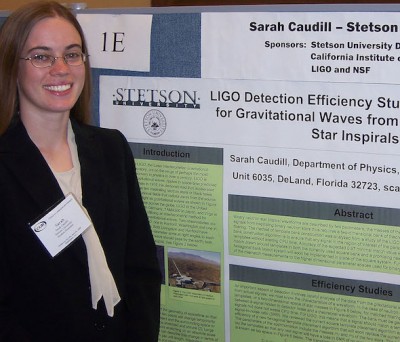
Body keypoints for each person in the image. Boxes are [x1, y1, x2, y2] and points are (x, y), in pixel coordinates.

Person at [0, 1, 162, 341]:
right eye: (42, 56)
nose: (61, 69)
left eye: (72, 55)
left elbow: (140, 269)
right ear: (13, 67)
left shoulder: (110, 149)